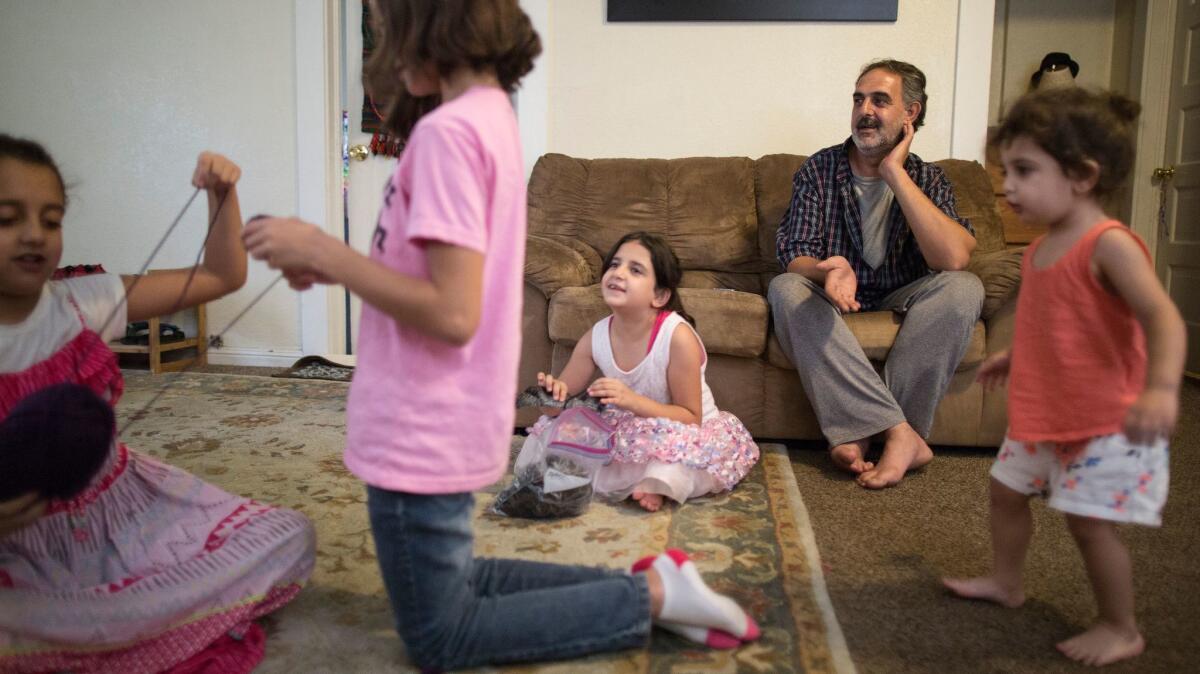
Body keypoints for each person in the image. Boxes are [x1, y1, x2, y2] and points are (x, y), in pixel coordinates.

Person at [241, 1, 759, 669]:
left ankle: (648, 601)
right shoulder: (486, 120)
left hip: (416, 421)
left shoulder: (451, 135)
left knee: (440, 633)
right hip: (443, 412)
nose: (380, 40)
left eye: (384, 21)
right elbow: (443, 279)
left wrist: (328, 250)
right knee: (458, 584)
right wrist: (342, 265)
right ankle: (657, 586)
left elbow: (453, 312)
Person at [0, 134, 315, 673]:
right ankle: (112, 626)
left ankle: (106, 628)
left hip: (122, 515)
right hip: (21, 548)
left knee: (287, 536)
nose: (34, 235)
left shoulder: (81, 301)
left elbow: (222, 275)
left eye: (51, 220)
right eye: (8, 217)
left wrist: (222, 195)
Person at [941, 87, 1186, 666]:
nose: (1009, 187)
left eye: (1024, 171)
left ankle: (1120, 625)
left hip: (1105, 421)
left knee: (1090, 526)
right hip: (1043, 413)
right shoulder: (1039, 250)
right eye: (1007, 171)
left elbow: (1164, 319)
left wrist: (1161, 389)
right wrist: (1014, 357)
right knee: (1005, 492)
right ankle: (1007, 581)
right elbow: (1053, 324)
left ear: (1081, 175)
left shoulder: (1111, 246)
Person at [769, 58, 984, 489]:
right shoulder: (819, 169)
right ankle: (900, 435)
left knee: (964, 289)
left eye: (880, 101)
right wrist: (828, 268)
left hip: (907, 292)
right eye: (858, 99)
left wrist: (894, 174)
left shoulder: (927, 177)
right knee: (785, 288)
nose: (864, 110)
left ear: (911, 114)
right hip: (834, 297)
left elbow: (954, 259)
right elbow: (793, 251)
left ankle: (867, 430)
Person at [533, 231, 760, 512]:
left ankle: (659, 484)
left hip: (684, 428)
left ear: (660, 295)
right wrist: (550, 396)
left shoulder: (676, 336)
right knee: (558, 433)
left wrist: (631, 401)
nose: (619, 273)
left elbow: (690, 417)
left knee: (674, 460)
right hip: (630, 427)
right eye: (614, 265)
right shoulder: (596, 336)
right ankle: (638, 480)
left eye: (635, 269)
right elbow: (556, 407)